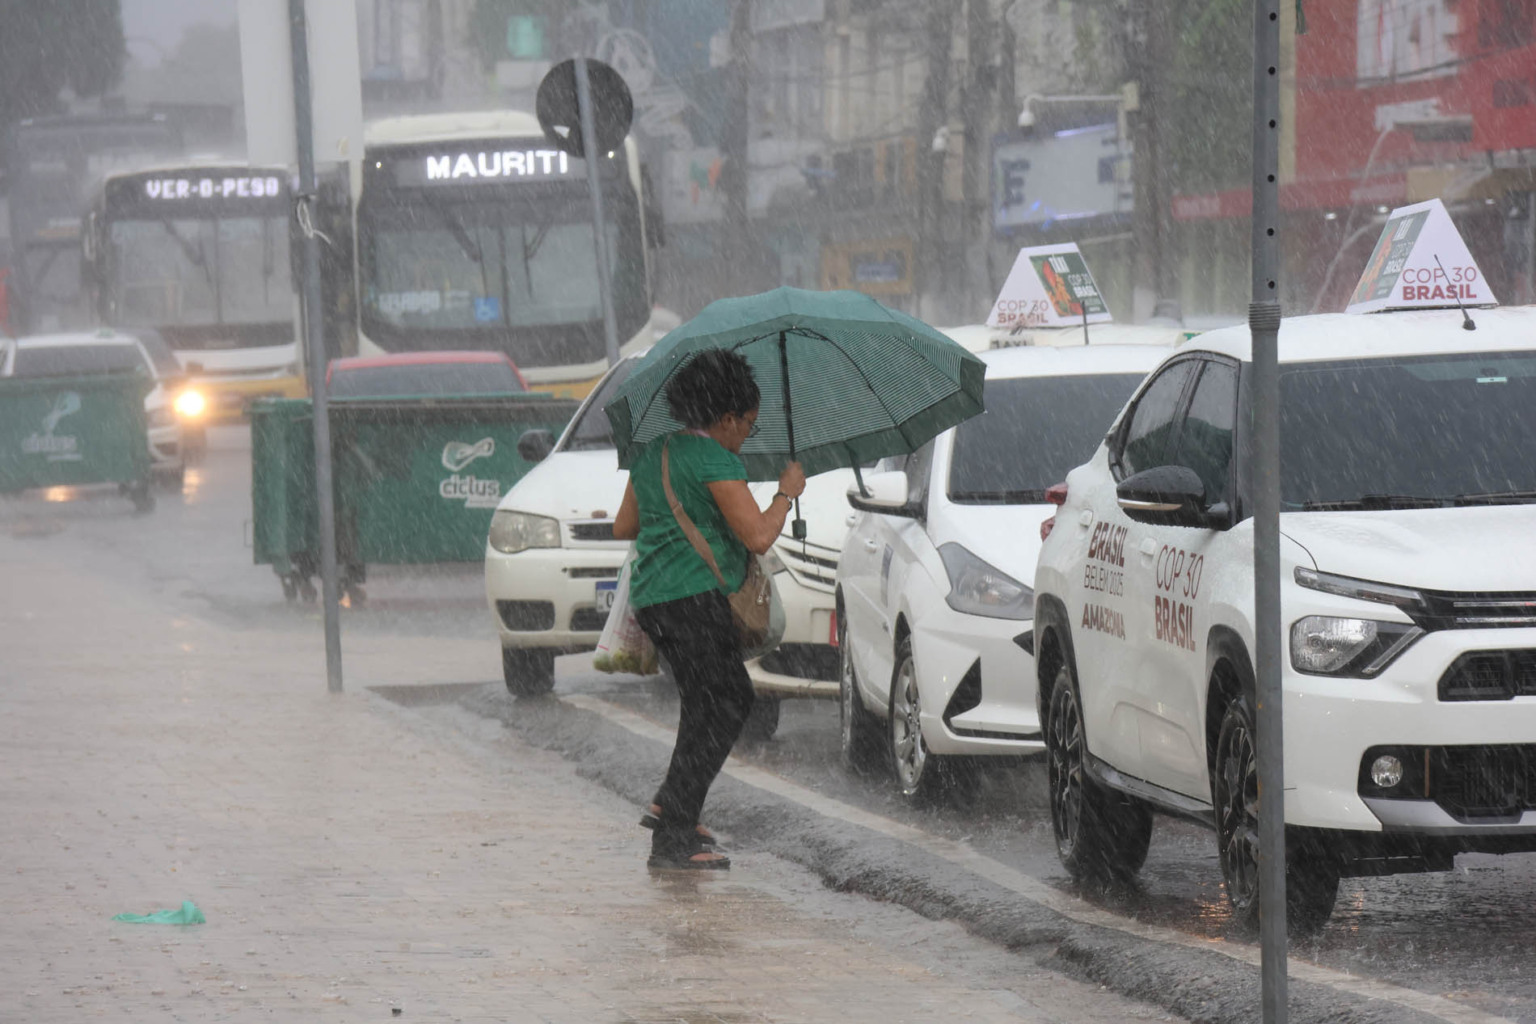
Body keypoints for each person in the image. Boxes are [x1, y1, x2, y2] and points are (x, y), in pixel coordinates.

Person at [612, 348, 806, 870]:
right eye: (747, 423)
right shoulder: (718, 460)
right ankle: (675, 827)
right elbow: (760, 535)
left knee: (703, 703)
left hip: (654, 601)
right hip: (695, 600)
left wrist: (677, 517)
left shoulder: (653, 453)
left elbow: (624, 526)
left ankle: (677, 809)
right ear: (724, 418)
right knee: (730, 700)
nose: (747, 433)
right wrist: (786, 494)